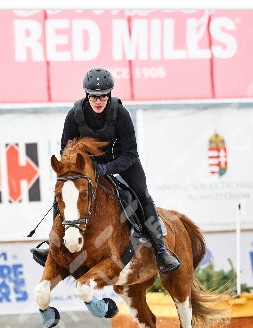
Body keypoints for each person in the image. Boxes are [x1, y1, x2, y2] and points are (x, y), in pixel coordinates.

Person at [30, 67, 181, 273]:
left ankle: (160, 249)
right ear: (87, 95)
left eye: (103, 96)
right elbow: (66, 150)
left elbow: (130, 153)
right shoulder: (74, 115)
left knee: (141, 193)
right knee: (66, 192)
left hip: (122, 162)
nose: (98, 101)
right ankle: (53, 245)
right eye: (94, 97)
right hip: (88, 165)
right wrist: (83, 168)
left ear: (109, 95)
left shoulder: (121, 114)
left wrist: (106, 168)